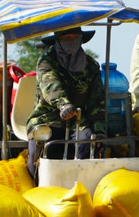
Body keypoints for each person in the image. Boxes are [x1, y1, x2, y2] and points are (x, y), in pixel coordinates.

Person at [27, 25, 106, 173]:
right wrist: (63, 104)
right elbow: (51, 86)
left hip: (78, 120)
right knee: (41, 147)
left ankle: (80, 184)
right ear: (57, 41)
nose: (71, 42)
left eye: (74, 38)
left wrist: (100, 131)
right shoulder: (47, 61)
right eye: (66, 38)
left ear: (81, 40)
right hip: (47, 119)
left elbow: (97, 102)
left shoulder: (91, 66)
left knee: (88, 141)